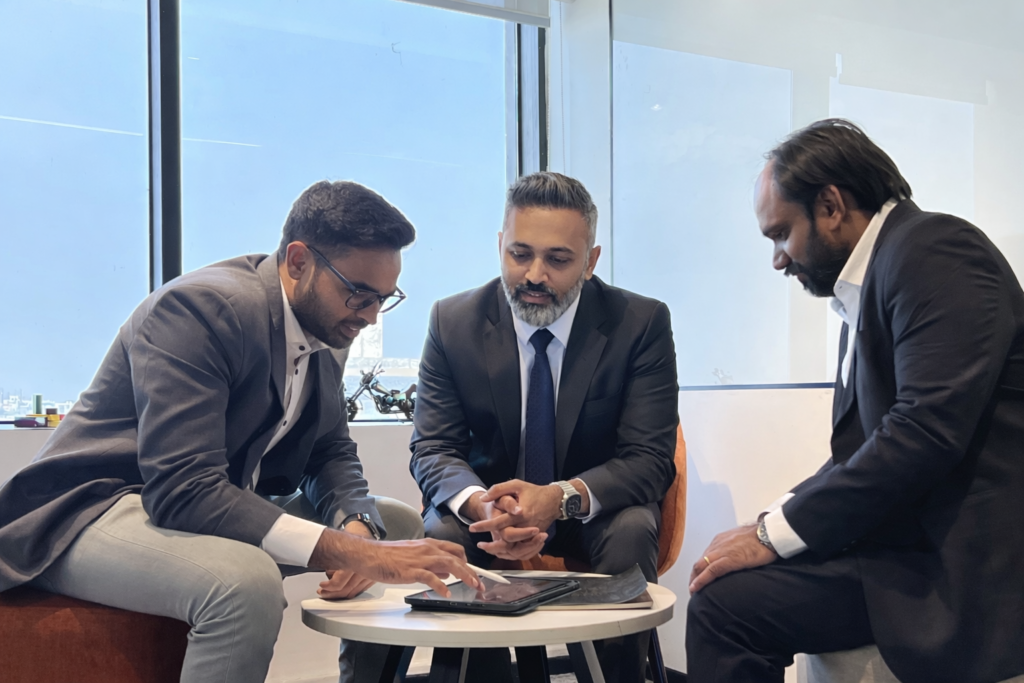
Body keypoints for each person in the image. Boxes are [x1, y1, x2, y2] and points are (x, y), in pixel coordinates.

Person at [0, 181, 480, 683]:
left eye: (383, 298)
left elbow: (328, 451)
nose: (371, 316)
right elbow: (184, 489)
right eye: (359, 293)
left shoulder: (327, 329)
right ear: (299, 261)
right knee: (244, 582)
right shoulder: (200, 310)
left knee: (393, 522)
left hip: (190, 506)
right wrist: (353, 551)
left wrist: (356, 526)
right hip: (91, 511)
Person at [685, 119, 1024, 683]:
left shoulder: (936, 250)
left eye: (780, 234)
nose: (777, 259)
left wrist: (774, 536)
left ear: (831, 206)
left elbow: (923, 433)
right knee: (726, 591)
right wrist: (771, 522)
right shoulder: (874, 281)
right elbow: (859, 452)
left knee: (725, 611)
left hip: (963, 568)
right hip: (907, 547)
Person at [410, 171, 679, 682]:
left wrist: (557, 499)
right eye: (520, 254)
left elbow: (649, 460)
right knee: (443, 532)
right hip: (492, 509)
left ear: (591, 261)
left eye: (558, 259)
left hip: (591, 511)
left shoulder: (639, 324)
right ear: (500, 246)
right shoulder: (452, 321)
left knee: (632, 530)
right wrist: (484, 506)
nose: (534, 275)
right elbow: (433, 448)